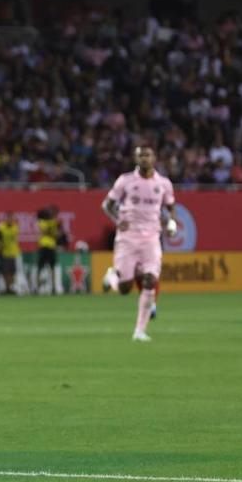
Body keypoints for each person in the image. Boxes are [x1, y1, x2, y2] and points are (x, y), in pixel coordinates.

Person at [101, 144, 178, 342]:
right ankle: (112, 277)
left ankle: (140, 331)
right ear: (136, 159)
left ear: (154, 158)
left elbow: (170, 207)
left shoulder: (164, 183)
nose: (144, 158)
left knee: (150, 280)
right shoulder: (125, 181)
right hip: (128, 238)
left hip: (152, 238)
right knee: (126, 288)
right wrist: (118, 220)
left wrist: (171, 224)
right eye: (140, 155)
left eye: (148, 155)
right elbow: (107, 205)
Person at [0, 212, 20, 295]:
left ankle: (10, 287)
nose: (10, 220)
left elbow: (11, 236)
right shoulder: (1, 227)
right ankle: (6, 288)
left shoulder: (15, 227)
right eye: (9, 218)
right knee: (5, 271)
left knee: (12, 271)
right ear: (6, 219)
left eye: (11, 218)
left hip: (13, 252)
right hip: (3, 252)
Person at [36, 206, 60, 294]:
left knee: (52, 267)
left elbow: (56, 234)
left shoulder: (54, 222)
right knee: (40, 267)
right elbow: (46, 232)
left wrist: (54, 232)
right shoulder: (42, 222)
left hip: (51, 246)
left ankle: (53, 287)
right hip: (43, 245)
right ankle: (37, 287)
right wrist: (53, 231)